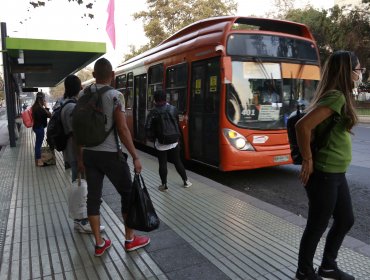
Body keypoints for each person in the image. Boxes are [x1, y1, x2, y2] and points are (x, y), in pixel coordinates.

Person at [294, 50, 361, 280]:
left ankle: (328, 266)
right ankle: (304, 272)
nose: (360, 73)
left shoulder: (338, 96)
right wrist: (308, 159)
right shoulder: (336, 97)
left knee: (345, 219)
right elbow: (302, 127)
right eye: (358, 69)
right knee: (317, 224)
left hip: (335, 173)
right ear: (347, 71)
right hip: (324, 172)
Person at [77, 58, 150, 257]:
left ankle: (99, 244)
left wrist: (80, 157)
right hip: (111, 155)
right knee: (128, 195)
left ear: (93, 76)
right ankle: (129, 239)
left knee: (93, 198)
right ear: (113, 76)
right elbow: (123, 129)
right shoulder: (116, 96)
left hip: (90, 154)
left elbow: (79, 129)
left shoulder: (83, 94)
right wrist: (135, 156)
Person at [60, 74, 105, 234]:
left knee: (80, 186)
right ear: (78, 88)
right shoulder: (72, 108)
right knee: (81, 187)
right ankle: (81, 221)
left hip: (72, 153)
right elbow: (76, 135)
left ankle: (81, 220)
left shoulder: (67, 104)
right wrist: (80, 159)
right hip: (75, 155)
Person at [145, 90, 192, 191]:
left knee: (162, 163)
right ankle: (186, 181)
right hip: (174, 140)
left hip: (161, 141)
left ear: (155, 100)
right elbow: (176, 122)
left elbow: (147, 127)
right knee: (177, 161)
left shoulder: (153, 112)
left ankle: (164, 185)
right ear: (165, 98)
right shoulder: (173, 109)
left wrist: (153, 138)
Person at [32, 92, 51, 166]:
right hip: (39, 128)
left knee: (38, 143)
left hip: (36, 127)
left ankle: (38, 159)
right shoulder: (40, 108)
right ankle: (39, 160)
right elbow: (49, 115)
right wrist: (46, 106)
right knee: (38, 144)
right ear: (42, 99)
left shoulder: (35, 106)